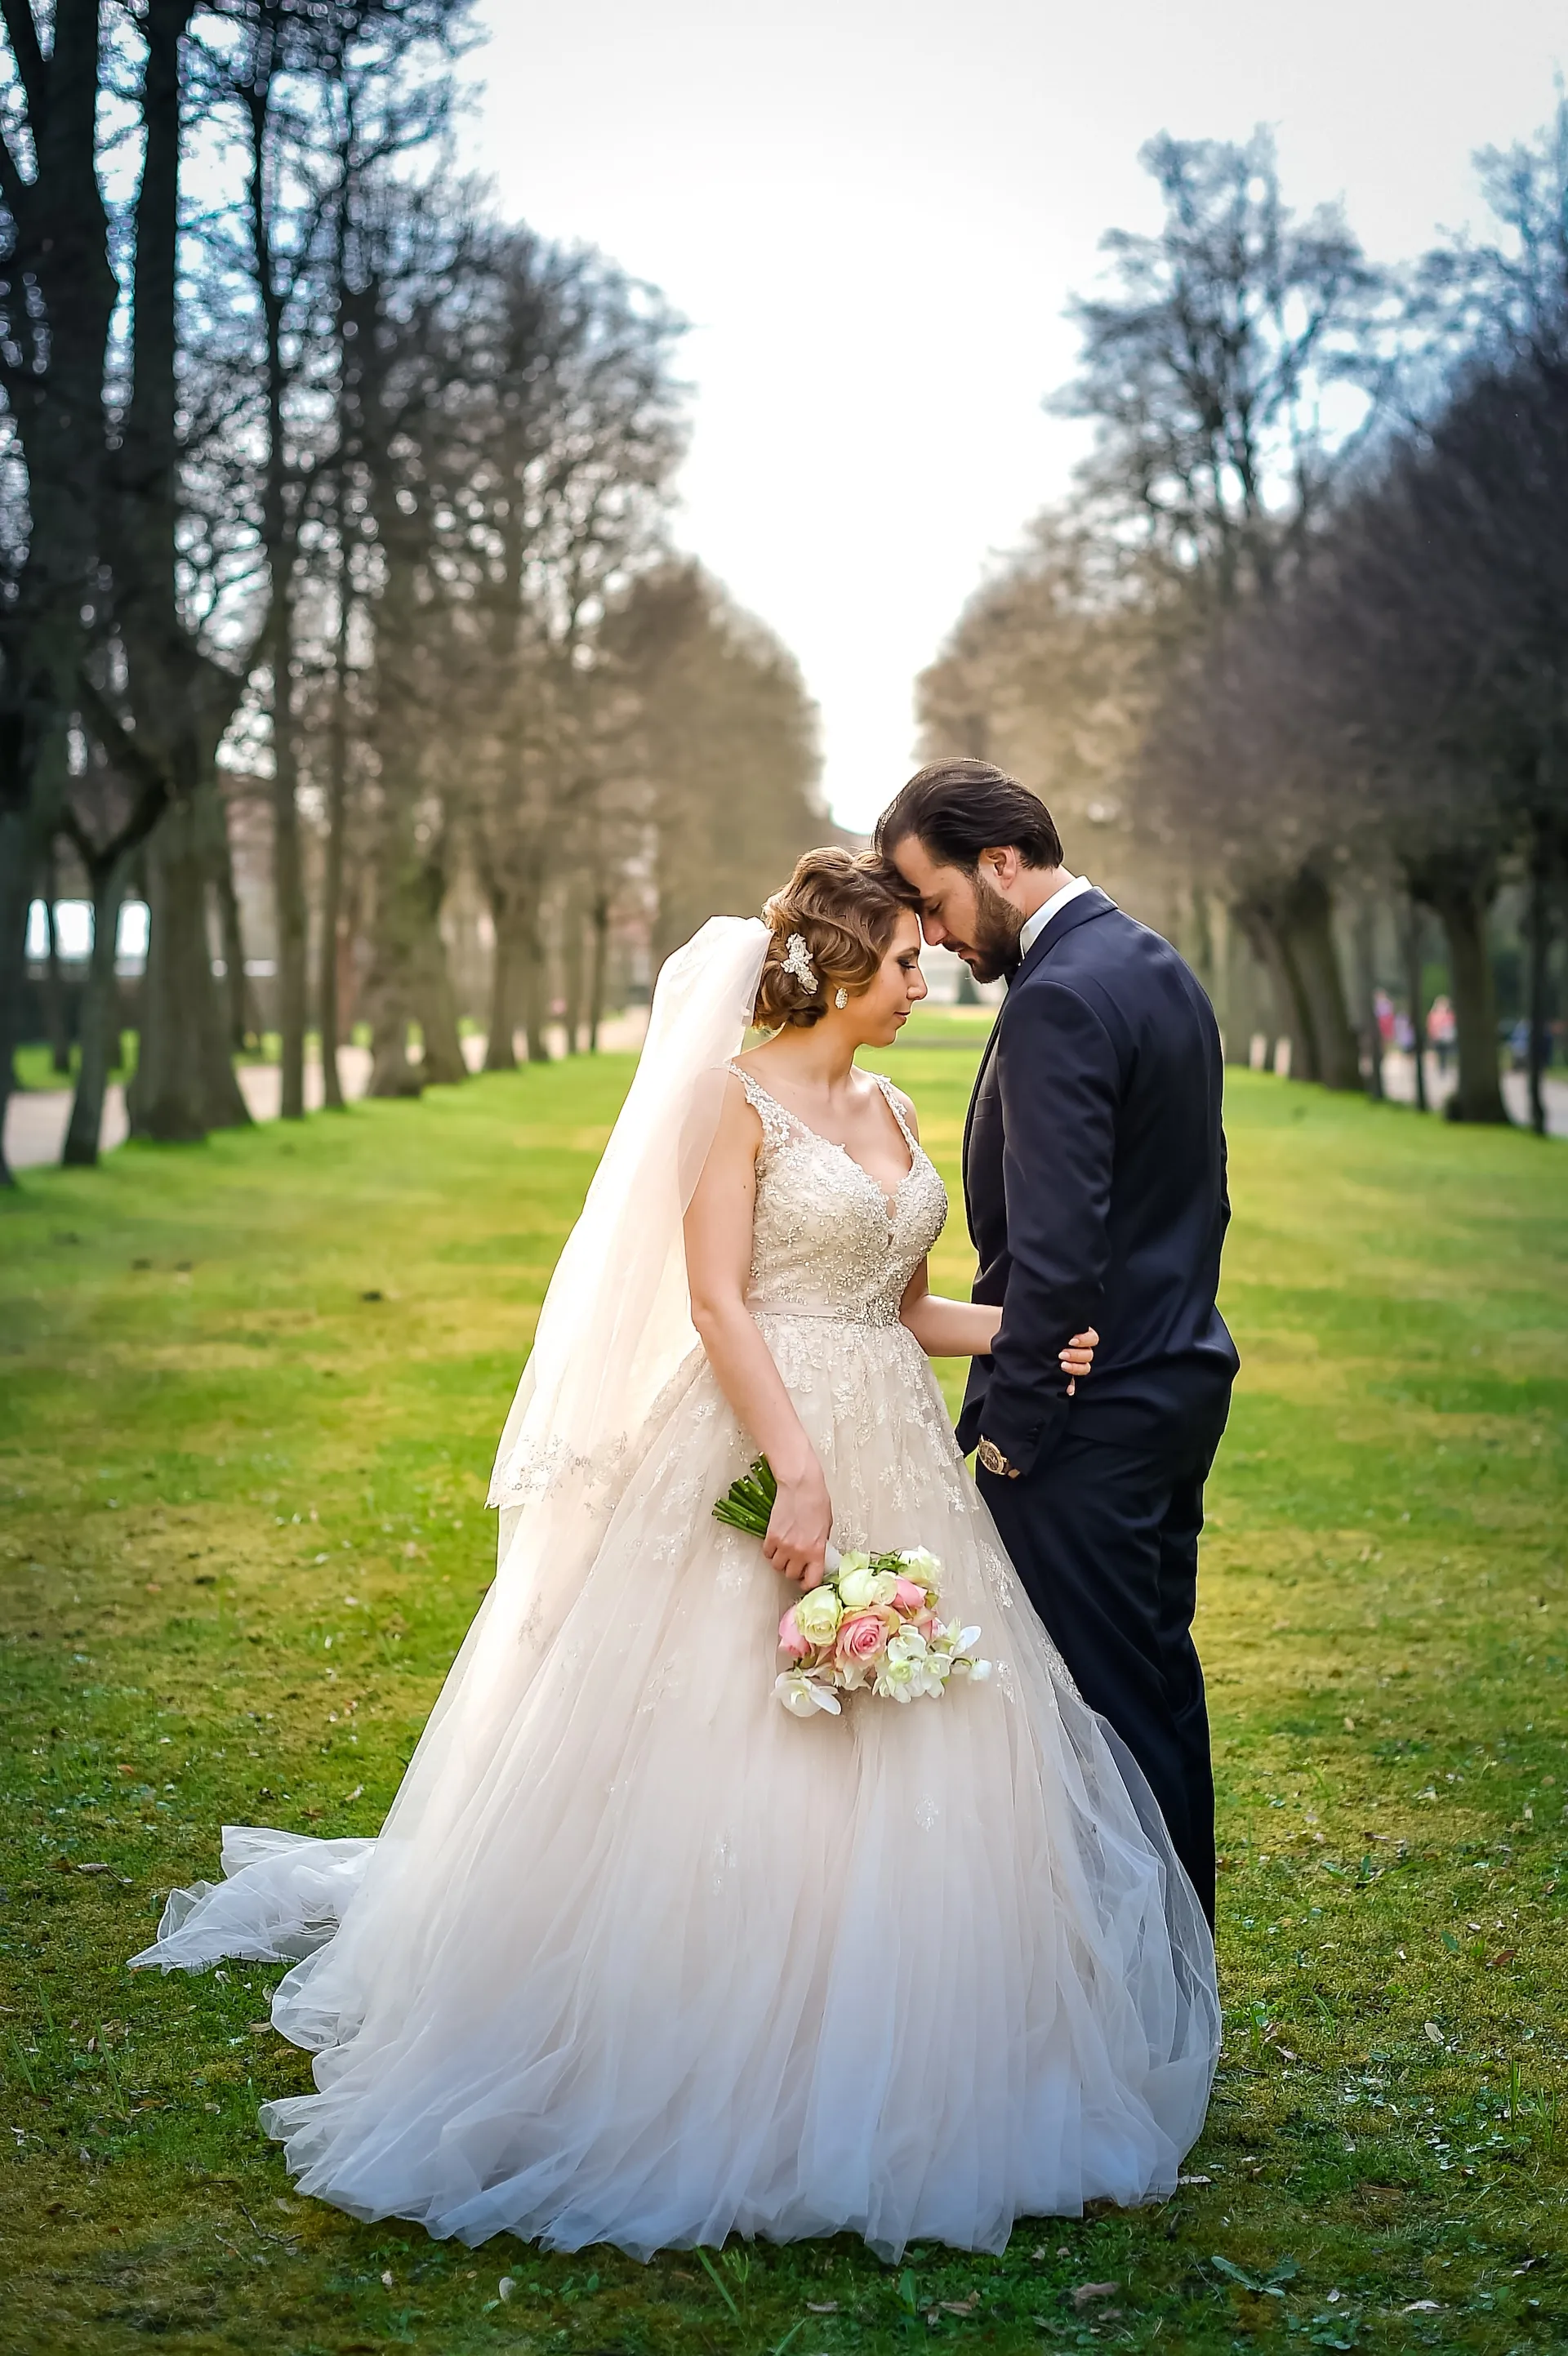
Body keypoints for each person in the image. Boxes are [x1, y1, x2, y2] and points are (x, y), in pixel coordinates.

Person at [131, 849, 1217, 2260]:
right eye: (901, 962)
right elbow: (718, 1301)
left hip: (889, 1441)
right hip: (757, 1438)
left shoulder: (889, 1103)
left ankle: (896, 2032)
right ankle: (682, 2036)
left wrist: (1015, 1332)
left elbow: (896, 1308)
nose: (922, 979)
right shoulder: (735, 1101)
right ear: (838, 964)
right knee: (730, 1718)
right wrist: (800, 1469)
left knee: (920, 1717)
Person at [878, 763, 1239, 1925]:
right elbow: (1199, 1201)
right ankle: (1176, 1975)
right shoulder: (1149, 961)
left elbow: (1057, 1249)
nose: (930, 937)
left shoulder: (1060, 998)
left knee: (1098, 1715)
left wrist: (1016, 1436)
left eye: (931, 903)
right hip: (1175, 1382)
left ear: (999, 861)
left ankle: (1140, 1991)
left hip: (1091, 1417)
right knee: (1151, 1686)